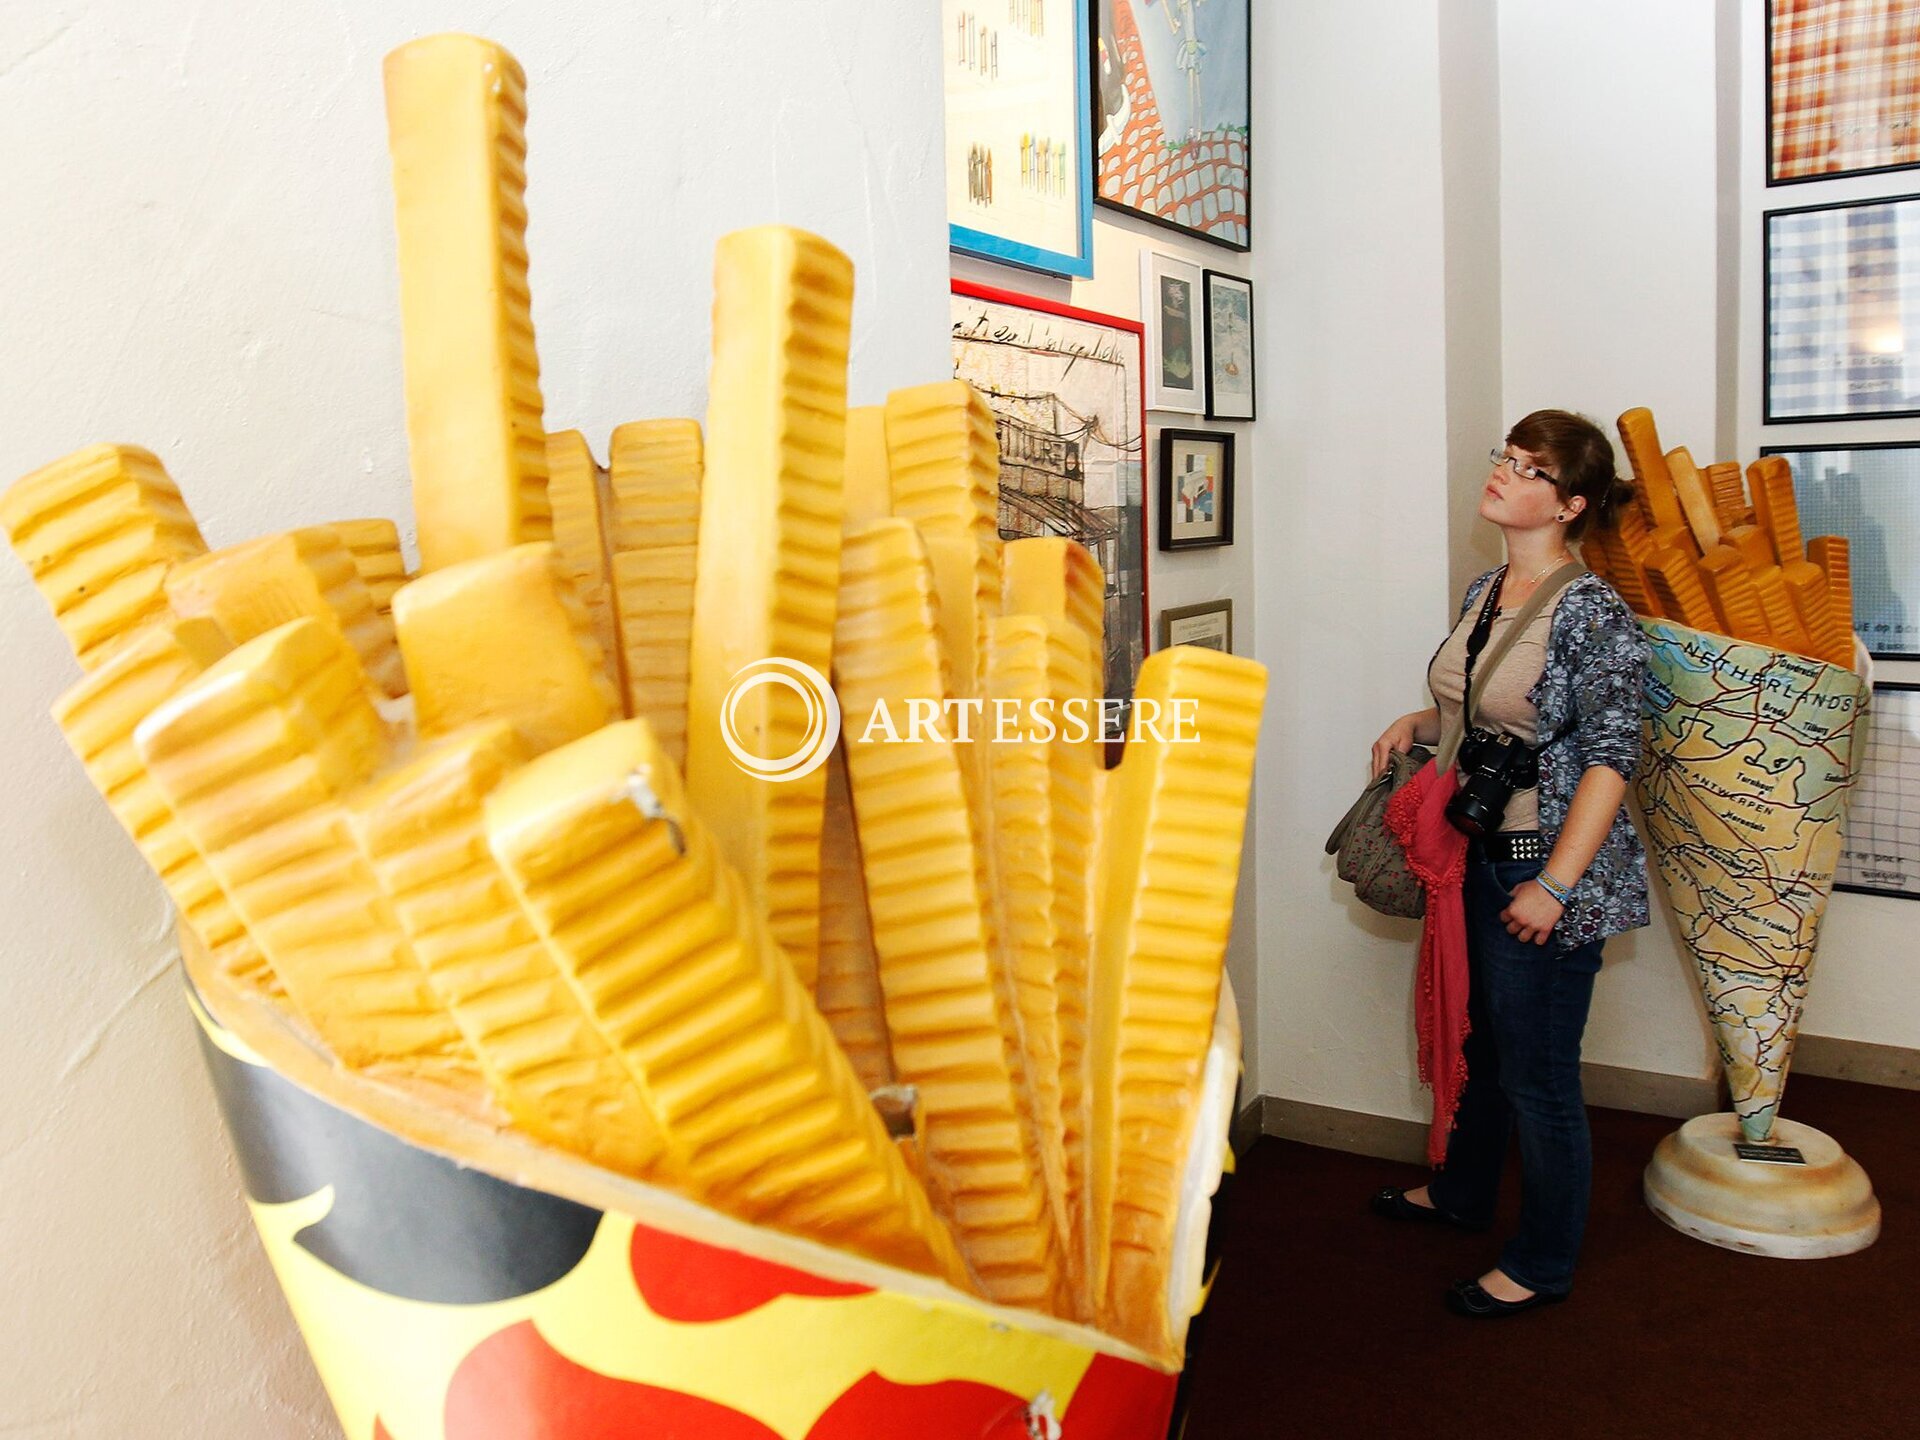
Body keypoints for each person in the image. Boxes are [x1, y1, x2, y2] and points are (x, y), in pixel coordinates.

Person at [1367, 409, 1650, 1317]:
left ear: (1568, 505)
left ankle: (1541, 1263)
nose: (1502, 472)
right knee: (1483, 1048)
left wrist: (1554, 886)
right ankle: (1461, 1194)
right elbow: (1485, 704)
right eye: (1505, 455)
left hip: (1539, 864)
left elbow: (1610, 758)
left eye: (1528, 468)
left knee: (1541, 1076)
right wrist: (1418, 725)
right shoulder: (1486, 588)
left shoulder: (1595, 611)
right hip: (1475, 854)